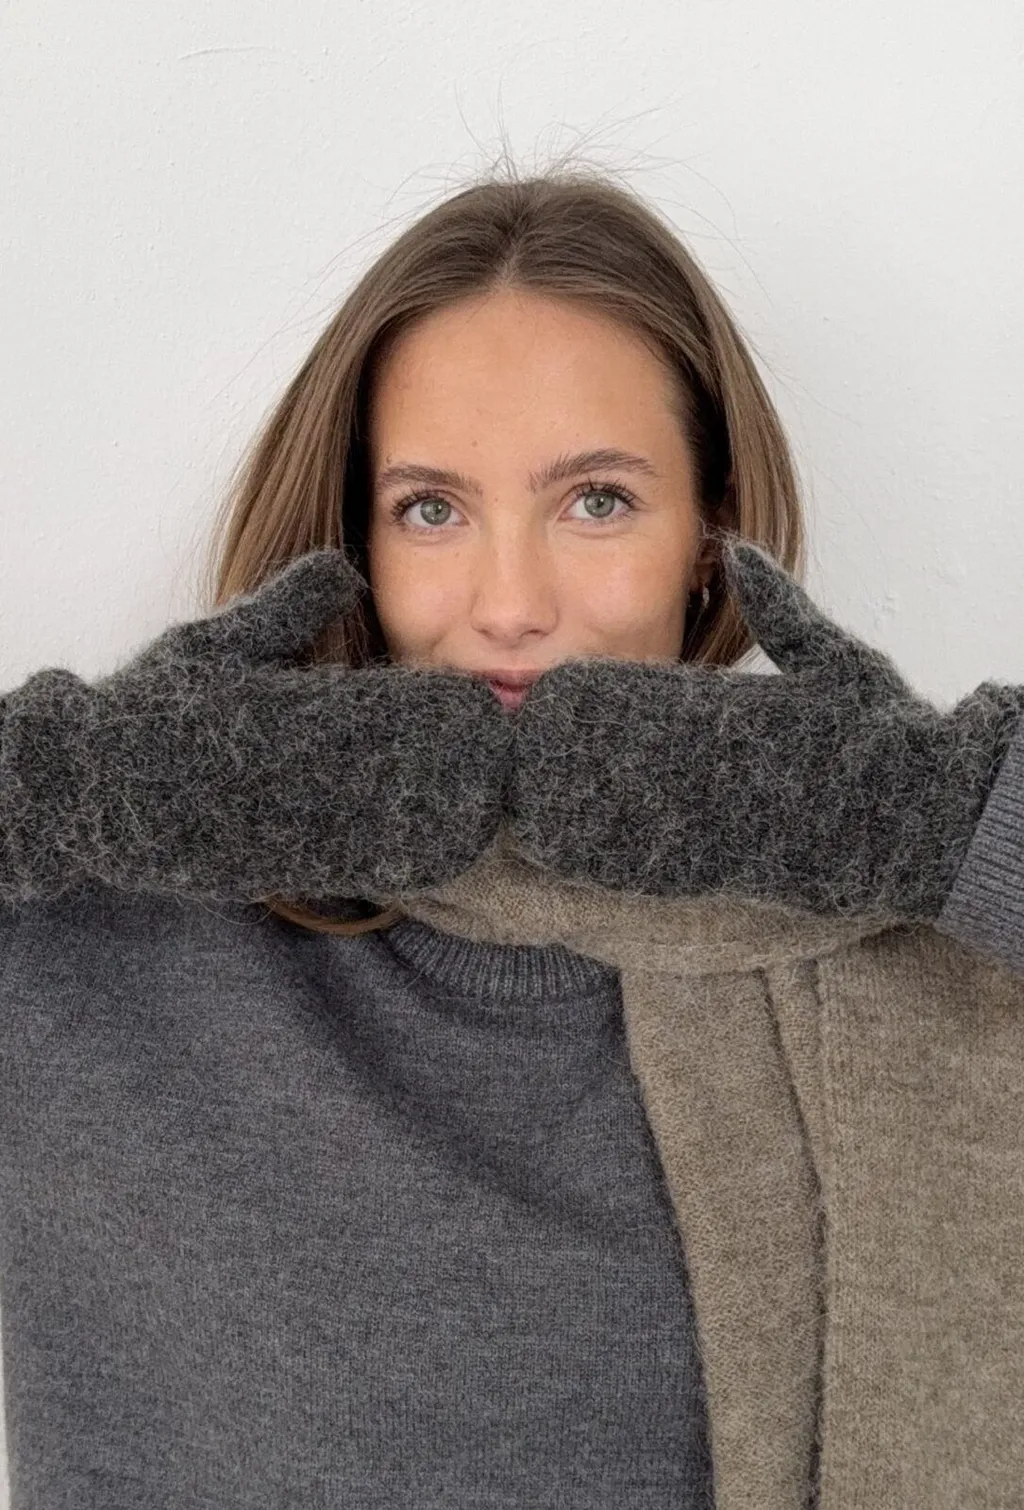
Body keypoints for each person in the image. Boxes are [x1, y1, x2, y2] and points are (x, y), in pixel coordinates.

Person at [1, 163, 1022, 1510]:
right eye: (432, 509)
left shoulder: (889, 901)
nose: (510, 603)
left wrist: (937, 813)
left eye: (597, 499)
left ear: (709, 536)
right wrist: (62, 782)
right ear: (354, 541)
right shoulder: (112, 936)